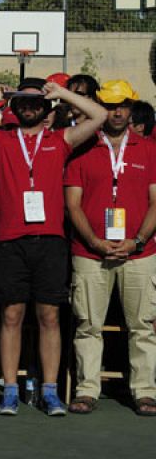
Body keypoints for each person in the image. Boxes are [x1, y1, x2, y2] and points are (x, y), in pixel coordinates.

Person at [0, 77, 106, 416]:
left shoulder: (60, 139)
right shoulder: (2, 139)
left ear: (46, 109)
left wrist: (62, 93)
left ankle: (50, 390)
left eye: (36, 103)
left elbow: (99, 117)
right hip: (10, 238)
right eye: (23, 102)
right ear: (15, 108)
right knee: (11, 315)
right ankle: (9, 388)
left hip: (50, 239)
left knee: (49, 316)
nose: (30, 107)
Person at [64, 80, 156, 416]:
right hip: (90, 252)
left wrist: (138, 240)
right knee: (88, 324)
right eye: (109, 105)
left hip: (140, 253)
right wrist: (94, 241)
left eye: (123, 105)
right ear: (100, 107)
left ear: (132, 107)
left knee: (143, 326)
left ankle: (145, 391)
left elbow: (155, 202)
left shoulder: (149, 148)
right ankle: (87, 389)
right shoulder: (81, 148)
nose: (116, 112)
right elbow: (72, 204)